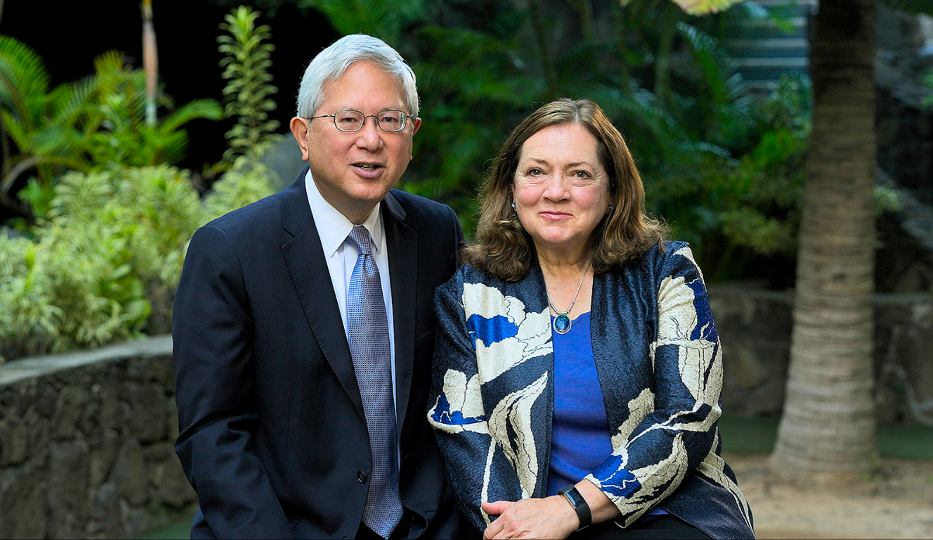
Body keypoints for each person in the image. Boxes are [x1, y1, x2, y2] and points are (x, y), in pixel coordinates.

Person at [173, 34, 466, 539]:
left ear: (412, 134)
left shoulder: (437, 232)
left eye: (390, 120)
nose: (371, 139)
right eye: (348, 119)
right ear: (303, 135)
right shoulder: (230, 250)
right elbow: (212, 433)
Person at [427, 98, 754, 539]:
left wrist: (569, 509)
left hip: (668, 514)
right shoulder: (467, 295)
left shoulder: (665, 271)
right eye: (536, 171)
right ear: (510, 187)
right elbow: (462, 431)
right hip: (525, 519)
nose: (556, 191)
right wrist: (518, 526)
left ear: (613, 191)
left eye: (579, 174)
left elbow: (688, 415)